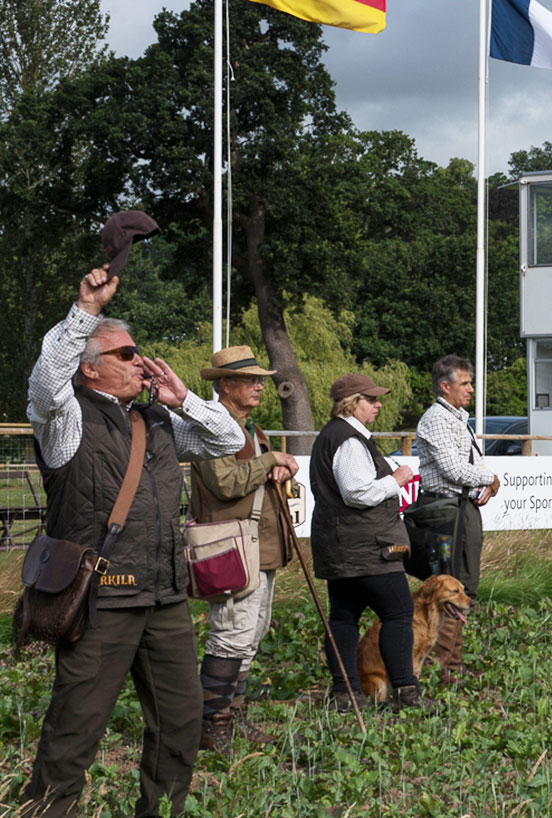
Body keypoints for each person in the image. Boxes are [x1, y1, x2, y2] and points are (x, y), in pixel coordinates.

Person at [21, 262, 244, 817]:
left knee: (180, 722)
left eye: (138, 351)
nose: (140, 361)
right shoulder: (66, 419)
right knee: (76, 728)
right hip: (100, 600)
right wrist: (86, 311)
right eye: (125, 354)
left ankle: (161, 811)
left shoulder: (159, 421)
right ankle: (46, 811)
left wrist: (182, 397)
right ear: (90, 369)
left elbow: (229, 437)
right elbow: (46, 380)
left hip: (164, 597)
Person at [192, 346, 301, 752]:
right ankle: (212, 724)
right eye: (251, 379)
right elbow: (225, 482)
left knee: (251, 635)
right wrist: (271, 459)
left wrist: (279, 465)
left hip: (260, 547)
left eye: (260, 379)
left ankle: (233, 716)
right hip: (231, 546)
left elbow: (253, 475)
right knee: (230, 635)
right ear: (225, 385)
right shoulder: (212, 426)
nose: (260, 386)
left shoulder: (251, 429)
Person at [309, 374, 424, 712]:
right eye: (370, 400)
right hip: (367, 547)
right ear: (351, 403)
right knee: (400, 613)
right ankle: (407, 692)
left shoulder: (335, 436)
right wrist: (395, 480)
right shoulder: (348, 440)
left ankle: (345, 694)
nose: (378, 404)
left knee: (344, 618)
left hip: (343, 546)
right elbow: (357, 493)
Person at [413, 355, 499, 678]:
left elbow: (471, 465)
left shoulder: (457, 418)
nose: (471, 389)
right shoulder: (437, 418)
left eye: (470, 383)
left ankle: (453, 665)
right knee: (449, 591)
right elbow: (451, 468)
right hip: (444, 512)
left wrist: (485, 478)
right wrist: (487, 478)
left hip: (460, 509)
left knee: (463, 589)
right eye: (465, 383)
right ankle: (441, 668)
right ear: (444, 386)